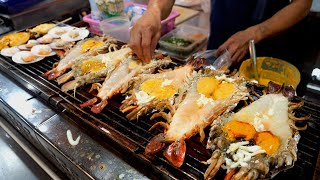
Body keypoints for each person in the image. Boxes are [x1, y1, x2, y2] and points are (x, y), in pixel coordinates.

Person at [129, 0, 312, 66]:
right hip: (222, 34)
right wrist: (154, 10)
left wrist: (256, 33)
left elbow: (302, 4)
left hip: (270, 45)